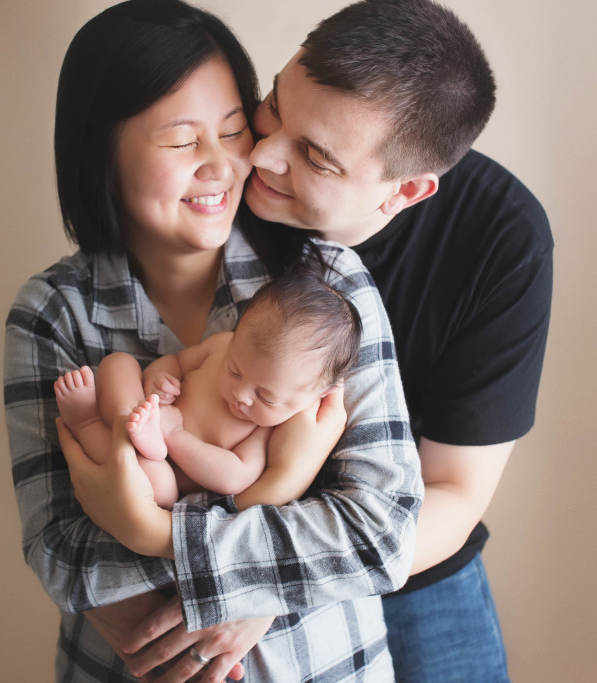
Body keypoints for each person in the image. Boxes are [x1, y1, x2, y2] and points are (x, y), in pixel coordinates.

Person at [4, 1, 421, 680]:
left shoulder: (326, 284)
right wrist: (273, 552)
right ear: (100, 152)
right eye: (180, 140)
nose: (222, 165)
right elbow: (64, 558)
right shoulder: (54, 312)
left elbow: (381, 535)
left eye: (233, 131)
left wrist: (152, 532)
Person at [235, 0, 553, 679]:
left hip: (409, 564)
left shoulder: (503, 238)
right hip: (227, 527)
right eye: (274, 104)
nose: (261, 154)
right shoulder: (226, 171)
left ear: (406, 190)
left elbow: (455, 491)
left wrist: (283, 579)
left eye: (314, 156)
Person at [54, 267, 362, 509]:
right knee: (119, 363)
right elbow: (175, 361)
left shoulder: (264, 431)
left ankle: (86, 422)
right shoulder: (222, 347)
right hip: (142, 409)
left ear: (318, 395)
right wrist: (159, 379)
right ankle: (126, 421)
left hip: (162, 464)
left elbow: (234, 476)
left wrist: (174, 435)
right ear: (237, 334)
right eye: (234, 370)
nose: (241, 394)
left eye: (265, 396)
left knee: (155, 487)